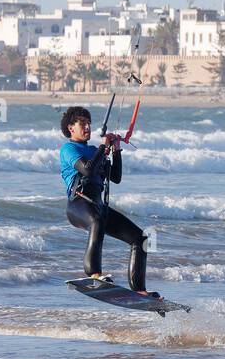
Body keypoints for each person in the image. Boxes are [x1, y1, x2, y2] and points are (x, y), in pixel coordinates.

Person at [58, 105, 159, 298]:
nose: (87, 127)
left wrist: (117, 150)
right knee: (96, 220)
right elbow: (87, 170)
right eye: (82, 124)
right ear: (71, 128)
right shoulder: (68, 148)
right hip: (78, 205)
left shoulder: (95, 150)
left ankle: (139, 289)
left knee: (141, 238)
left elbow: (116, 177)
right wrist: (104, 146)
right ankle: (94, 274)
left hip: (97, 206)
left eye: (89, 123)